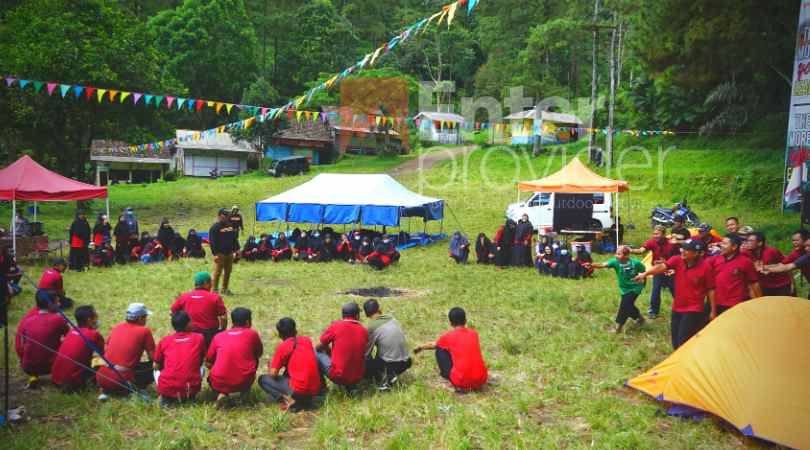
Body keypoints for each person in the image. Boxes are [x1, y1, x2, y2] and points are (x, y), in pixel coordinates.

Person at [634, 240, 715, 350]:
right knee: (675, 339)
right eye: (683, 248)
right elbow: (662, 267)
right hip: (677, 306)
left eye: (687, 250)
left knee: (683, 339)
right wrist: (644, 274)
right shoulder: (677, 260)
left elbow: (711, 290)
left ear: (696, 253)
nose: (683, 251)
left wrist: (713, 311)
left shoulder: (706, 267)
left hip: (694, 309)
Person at [413, 307, 487, 392]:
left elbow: (433, 345)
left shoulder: (448, 337)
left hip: (462, 382)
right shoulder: (474, 334)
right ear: (466, 321)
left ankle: (449, 377)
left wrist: (420, 347)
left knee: (440, 350)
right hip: (482, 379)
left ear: (450, 324)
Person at [258, 318, 321, 412]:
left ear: (280, 334)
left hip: (299, 390)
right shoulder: (306, 340)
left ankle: (286, 399)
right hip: (315, 390)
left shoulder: (282, 347)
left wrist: (270, 367)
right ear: (295, 330)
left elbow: (273, 374)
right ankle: (303, 400)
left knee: (263, 379)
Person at [96, 303, 156, 400]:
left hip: (101, 378)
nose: (146, 319)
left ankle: (107, 392)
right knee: (155, 365)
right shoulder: (144, 331)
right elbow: (153, 357)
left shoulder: (117, 327)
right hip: (121, 380)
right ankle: (138, 389)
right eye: (145, 317)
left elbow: (106, 347)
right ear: (140, 318)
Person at [205, 307, 263, 405]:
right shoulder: (252, 334)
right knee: (254, 359)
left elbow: (208, 361)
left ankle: (222, 392)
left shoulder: (218, 336)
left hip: (218, 382)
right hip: (244, 380)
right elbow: (259, 353)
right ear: (248, 322)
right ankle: (243, 392)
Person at [15, 292, 69, 388]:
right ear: (50, 304)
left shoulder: (28, 320)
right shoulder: (58, 319)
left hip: (27, 366)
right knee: (67, 344)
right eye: (57, 302)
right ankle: (59, 375)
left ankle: (33, 377)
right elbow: (69, 336)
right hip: (49, 366)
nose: (59, 304)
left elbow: (20, 343)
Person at [588, 246, 647, 333]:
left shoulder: (636, 263)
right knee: (629, 306)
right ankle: (641, 319)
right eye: (616, 253)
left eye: (619, 254)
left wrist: (642, 281)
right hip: (624, 288)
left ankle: (618, 329)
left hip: (635, 288)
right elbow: (602, 264)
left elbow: (644, 272)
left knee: (624, 306)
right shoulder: (615, 262)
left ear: (626, 256)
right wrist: (591, 265)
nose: (616, 255)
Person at [154, 311, 206, 407]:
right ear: (187, 324)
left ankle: (165, 396)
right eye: (190, 321)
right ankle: (190, 397)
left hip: (167, 388)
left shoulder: (164, 340)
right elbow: (201, 359)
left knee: (155, 369)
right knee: (202, 368)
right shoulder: (199, 338)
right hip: (191, 388)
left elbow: (156, 365)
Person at [315, 302, 368, 393]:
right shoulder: (364, 330)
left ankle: (322, 389)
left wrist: (327, 351)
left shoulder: (336, 326)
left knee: (314, 353)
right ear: (357, 316)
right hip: (358, 376)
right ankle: (351, 388)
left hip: (339, 376)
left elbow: (318, 346)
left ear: (343, 315)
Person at [52, 305, 104, 392]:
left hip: (55, 378)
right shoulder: (94, 334)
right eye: (95, 315)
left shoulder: (71, 331)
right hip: (72, 383)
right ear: (89, 320)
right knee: (101, 361)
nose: (97, 316)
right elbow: (102, 354)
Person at [630, 226, 678, 319]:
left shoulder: (671, 243)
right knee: (655, 291)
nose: (654, 236)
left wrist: (665, 262)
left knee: (675, 291)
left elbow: (677, 257)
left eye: (657, 234)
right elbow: (641, 250)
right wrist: (630, 250)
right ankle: (653, 311)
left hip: (670, 270)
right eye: (654, 233)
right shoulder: (651, 242)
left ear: (663, 234)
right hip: (657, 270)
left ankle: (681, 309)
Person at [363, 299, 411, 390]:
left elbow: (367, 352)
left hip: (393, 364)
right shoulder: (391, 318)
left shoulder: (372, 326)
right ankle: (391, 375)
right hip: (407, 361)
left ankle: (386, 378)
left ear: (366, 314)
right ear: (379, 309)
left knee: (367, 361)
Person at [171, 272, 227, 350]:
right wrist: (222, 330)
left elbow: (172, 312)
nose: (211, 285)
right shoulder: (215, 297)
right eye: (210, 282)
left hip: (190, 334)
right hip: (209, 335)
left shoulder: (184, 297)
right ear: (205, 283)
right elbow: (223, 317)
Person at [708, 235, 762, 315]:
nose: (721, 246)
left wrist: (760, 303)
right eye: (721, 243)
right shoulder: (716, 259)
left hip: (735, 304)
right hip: (717, 302)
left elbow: (754, 283)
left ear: (734, 247)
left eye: (725, 244)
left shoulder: (745, 262)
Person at [746, 232, 794, 296]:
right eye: (747, 240)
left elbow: (787, 265)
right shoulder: (747, 253)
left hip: (781, 285)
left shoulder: (772, 252)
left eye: (751, 241)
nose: (747, 243)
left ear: (760, 243)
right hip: (765, 287)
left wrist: (792, 283)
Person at [209, 208, 239, 295]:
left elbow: (234, 239)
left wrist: (237, 249)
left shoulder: (230, 226)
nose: (226, 217)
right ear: (219, 216)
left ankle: (224, 289)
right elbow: (212, 242)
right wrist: (215, 254)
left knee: (228, 271)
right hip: (220, 253)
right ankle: (214, 289)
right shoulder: (214, 227)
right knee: (218, 272)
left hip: (229, 253)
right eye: (224, 215)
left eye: (227, 215)